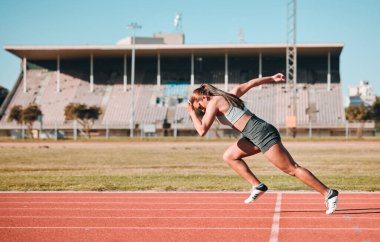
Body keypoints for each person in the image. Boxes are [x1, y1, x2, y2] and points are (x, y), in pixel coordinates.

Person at [186, 73, 339, 215]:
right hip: (252, 134)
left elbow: (202, 130)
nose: (202, 110)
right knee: (230, 156)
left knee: (292, 169)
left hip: (261, 133)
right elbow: (251, 83)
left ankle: (328, 193)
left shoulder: (213, 102)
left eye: (200, 106)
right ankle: (257, 186)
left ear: (204, 97)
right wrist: (272, 78)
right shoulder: (231, 95)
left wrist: (192, 113)